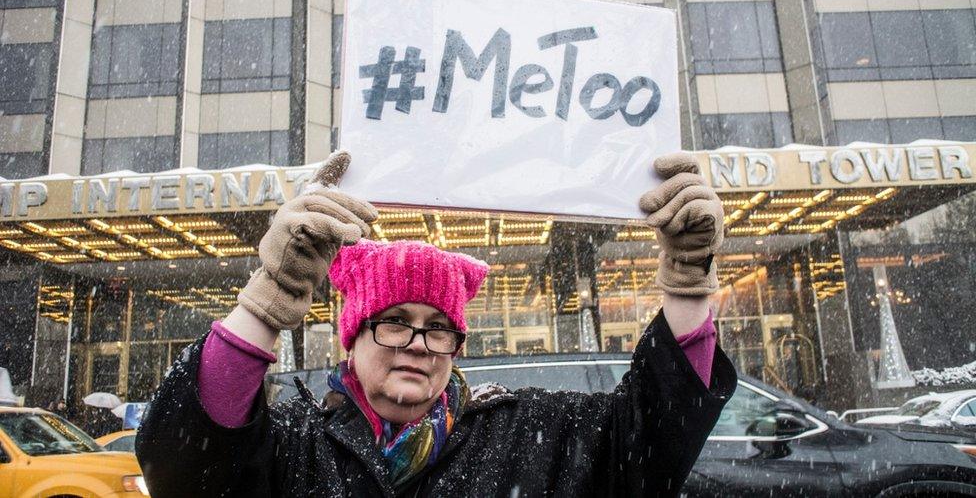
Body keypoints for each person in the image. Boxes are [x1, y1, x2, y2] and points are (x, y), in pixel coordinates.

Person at [135, 151, 736, 497]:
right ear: (352, 337)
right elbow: (187, 460)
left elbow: (654, 437)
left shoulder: (527, 437)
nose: (419, 345)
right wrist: (271, 298)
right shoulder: (293, 445)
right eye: (394, 323)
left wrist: (688, 281)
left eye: (438, 328)